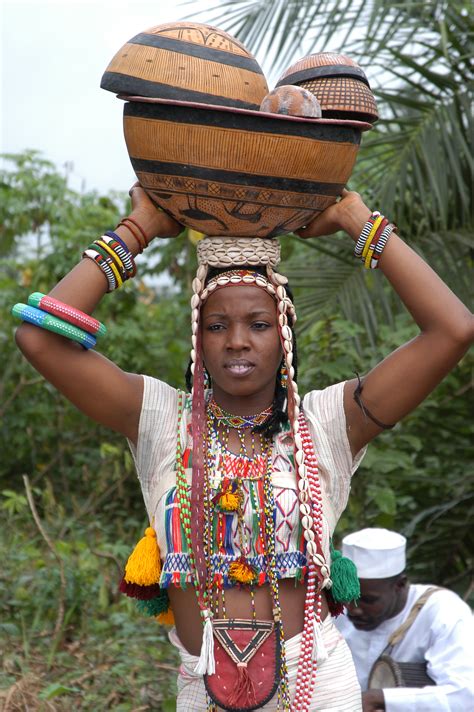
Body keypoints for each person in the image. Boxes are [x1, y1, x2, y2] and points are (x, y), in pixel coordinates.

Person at [12, 184, 474, 712]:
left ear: (285, 337)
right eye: (217, 325)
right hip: (202, 683)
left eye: (258, 324)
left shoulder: (326, 425)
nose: (237, 341)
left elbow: (452, 330)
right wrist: (136, 231)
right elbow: (39, 339)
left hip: (314, 685)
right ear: (197, 338)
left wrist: (356, 218)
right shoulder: (162, 422)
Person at [336, 527, 474, 712]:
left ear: (400, 585)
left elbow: (465, 697)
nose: (353, 610)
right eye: (347, 597)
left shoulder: (443, 612)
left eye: (368, 600)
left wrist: (380, 699)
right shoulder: (335, 612)